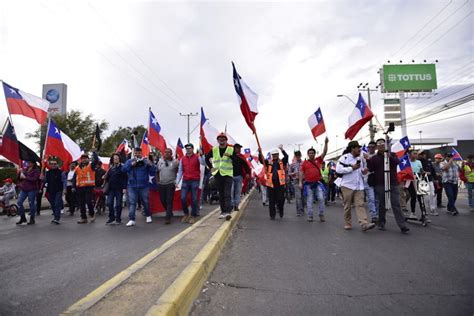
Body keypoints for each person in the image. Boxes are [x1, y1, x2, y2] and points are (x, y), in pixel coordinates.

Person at [367, 139, 410, 233]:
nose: (381, 146)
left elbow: (396, 162)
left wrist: (388, 154)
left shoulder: (392, 155)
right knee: (382, 205)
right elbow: (370, 168)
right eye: (379, 144)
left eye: (383, 144)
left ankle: (402, 225)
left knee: (396, 204)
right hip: (380, 184)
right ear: (377, 147)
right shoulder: (374, 158)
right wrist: (367, 160)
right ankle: (381, 223)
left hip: (393, 183)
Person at [335, 141, 376, 231]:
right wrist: (351, 168)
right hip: (347, 186)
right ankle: (348, 223)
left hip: (359, 186)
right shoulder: (344, 158)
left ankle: (364, 223)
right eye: (358, 148)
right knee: (347, 206)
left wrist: (364, 171)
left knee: (360, 205)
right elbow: (338, 169)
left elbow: (360, 171)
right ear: (352, 148)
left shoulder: (360, 159)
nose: (359, 149)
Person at [122, 148, 157, 226]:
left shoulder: (145, 161)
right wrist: (131, 165)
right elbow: (123, 170)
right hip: (132, 186)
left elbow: (154, 170)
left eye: (138, 153)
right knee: (132, 203)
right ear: (134, 153)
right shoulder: (129, 161)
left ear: (141, 153)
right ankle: (132, 219)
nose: (137, 154)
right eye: (136, 153)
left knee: (145, 201)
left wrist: (151, 164)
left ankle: (148, 215)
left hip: (144, 185)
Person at [205, 133, 235, 221]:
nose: (221, 139)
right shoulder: (214, 149)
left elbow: (236, 160)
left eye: (223, 138)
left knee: (227, 193)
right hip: (218, 174)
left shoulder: (231, 149)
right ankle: (223, 212)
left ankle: (228, 212)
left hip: (228, 174)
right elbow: (207, 158)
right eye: (220, 138)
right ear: (218, 140)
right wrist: (211, 168)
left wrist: (230, 156)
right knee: (221, 194)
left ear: (226, 140)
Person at [299, 137, 329, 222]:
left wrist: (326, 143)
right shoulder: (304, 163)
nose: (311, 154)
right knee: (309, 200)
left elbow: (324, 152)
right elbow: (301, 172)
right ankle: (310, 216)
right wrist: (300, 182)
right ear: (308, 154)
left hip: (318, 183)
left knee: (321, 198)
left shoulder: (318, 160)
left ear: (314, 154)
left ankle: (321, 214)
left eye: (312, 153)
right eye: (310, 153)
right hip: (308, 185)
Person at [177, 143, 204, 224]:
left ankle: (193, 215)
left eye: (189, 148)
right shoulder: (183, 159)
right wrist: (177, 181)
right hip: (185, 180)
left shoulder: (197, 157)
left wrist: (202, 155)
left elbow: (203, 163)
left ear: (192, 149)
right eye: (187, 148)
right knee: (183, 198)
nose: (188, 149)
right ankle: (186, 214)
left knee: (194, 199)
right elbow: (180, 171)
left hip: (195, 180)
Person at [259, 145, 289, 220]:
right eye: (273, 155)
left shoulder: (282, 162)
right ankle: (272, 215)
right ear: (272, 156)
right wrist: (260, 153)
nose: (275, 156)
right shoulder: (269, 162)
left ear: (278, 155)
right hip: (271, 184)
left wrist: (282, 149)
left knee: (281, 199)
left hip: (280, 184)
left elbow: (286, 156)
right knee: (271, 200)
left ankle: (281, 210)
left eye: (276, 154)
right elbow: (261, 160)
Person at [74, 153, 98, 224]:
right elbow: (75, 178)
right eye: (83, 158)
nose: (84, 159)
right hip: (80, 187)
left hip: (89, 186)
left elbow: (96, 160)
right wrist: (73, 186)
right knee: (81, 203)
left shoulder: (91, 165)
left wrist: (94, 153)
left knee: (88, 201)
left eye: (85, 158)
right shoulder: (77, 167)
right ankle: (83, 218)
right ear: (81, 160)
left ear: (88, 159)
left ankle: (92, 214)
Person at [104, 153, 128, 225]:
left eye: (117, 158)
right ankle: (111, 218)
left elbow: (125, 178)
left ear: (119, 159)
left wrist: (124, 187)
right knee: (109, 203)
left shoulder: (122, 167)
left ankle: (118, 219)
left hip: (119, 189)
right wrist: (104, 177)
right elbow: (108, 178)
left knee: (118, 205)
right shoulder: (111, 168)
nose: (116, 159)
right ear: (112, 160)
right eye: (114, 159)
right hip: (111, 189)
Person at [158, 148, 179, 224]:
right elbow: (157, 171)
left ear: (171, 154)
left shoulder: (174, 162)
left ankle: (168, 218)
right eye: (165, 152)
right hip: (161, 184)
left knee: (169, 200)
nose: (166, 154)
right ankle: (169, 211)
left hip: (170, 184)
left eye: (168, 152)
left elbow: (179, 171)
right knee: (162, 200)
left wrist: (176, 181)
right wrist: (158, 181)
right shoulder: (160, 161)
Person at [16, 161, 40, 225]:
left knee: (31, 204)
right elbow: (20, 179)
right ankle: (23, 218)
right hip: (24, 188)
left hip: (32, 189)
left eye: (30, 162)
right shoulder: (25, 169)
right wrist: (19, 173)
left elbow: (34, 179)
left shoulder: (36, 170)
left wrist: (25, 177)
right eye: (28, 162)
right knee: (19, 203)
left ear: (33, 163)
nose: (28, 163)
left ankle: (32, 219)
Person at [43, 160, 66, 224]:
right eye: (52, 164)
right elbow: (45, 181)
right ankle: (55, 217)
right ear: (50, 165)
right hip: (50, 190)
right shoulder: (48, 173)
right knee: (53, 204)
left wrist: (64, 189)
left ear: (57, 165)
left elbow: (64, 181)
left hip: (58, 190)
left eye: (55, 164)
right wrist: (42, 178)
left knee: (57, 204)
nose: (53, 165)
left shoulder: (61, 172)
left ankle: (57, 218)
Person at [230, 144, 251, 211]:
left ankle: (236, 205)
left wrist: (247, 173)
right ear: (234, 148)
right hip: (231, 176)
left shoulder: (242, 157)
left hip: (239, 177)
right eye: (237, 148)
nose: (239, 149)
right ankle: (231, 205)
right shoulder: (230, 156)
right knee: (231, 191)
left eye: (239, 148)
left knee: (238, 192)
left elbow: (246, 166)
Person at [418, 150, 438, 216]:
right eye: (421, 154)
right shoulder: (418, 162)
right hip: (422, 181)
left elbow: (433, 170)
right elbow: (418, 171)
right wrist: (425, 172)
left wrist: (435, 179)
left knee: (432, 194)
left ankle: (432, 208)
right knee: (425, 196)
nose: (423, 155)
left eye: (424, 154)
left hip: (430, 180)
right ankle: (425, 210)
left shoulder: (428, 161)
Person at [363, 141, 378, 223]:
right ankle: (374, 216)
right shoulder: (363, 156)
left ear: (375, 148)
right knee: (371, 198)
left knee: (377, 199)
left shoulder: (378, 156)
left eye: (373, 147)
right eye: (369, 147)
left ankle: (377, 214)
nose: (371, 148)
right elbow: (361, 168)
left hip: (377, 179)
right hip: (368, 179)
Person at [407, 149, 424, 219]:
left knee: (420, 197)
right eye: (414, 153)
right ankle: (412, 213)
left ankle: (423, 213)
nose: (416, 155)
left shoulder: (419, 162)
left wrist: (424, 173)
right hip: (410, 181)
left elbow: (421, 171)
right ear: (410, 154)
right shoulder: (407, 162)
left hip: (418, 180)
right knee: (413, 196)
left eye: (416, 153)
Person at [288, 150, 304, 216]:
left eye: (299, 155)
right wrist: (293, 173)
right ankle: (298, 211)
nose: (298, 157)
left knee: (303, 197)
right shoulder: (293, 164)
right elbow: (289, 173)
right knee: (298, 197)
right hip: (296, 181)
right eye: (296, 156)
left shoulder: (304, 163)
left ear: (300, 155)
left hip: (304, 181)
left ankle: (302, 209)